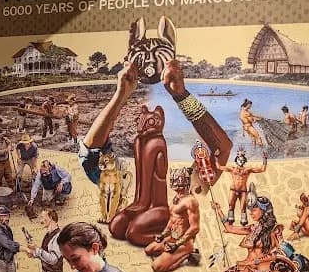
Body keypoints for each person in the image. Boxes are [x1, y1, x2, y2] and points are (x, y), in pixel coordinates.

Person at [79, 60, 231, 189]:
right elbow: (91, 154)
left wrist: (181, 96)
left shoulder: (179, 187)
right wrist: (121, 95)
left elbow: (91, 154)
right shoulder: (125, 184)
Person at [216, 190, 285, 272]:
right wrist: (219, 211)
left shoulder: (275, 230)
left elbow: (281, 253)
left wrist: (257, 261)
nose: (251, 213)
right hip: (247, 267)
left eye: (254, 210)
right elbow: (230, 228)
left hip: (263, 271)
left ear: (263, 211)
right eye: (250, 210)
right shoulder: (253, 228)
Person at [144, 167, 201, 272]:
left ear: (184, 180)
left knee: (157, 267)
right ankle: (171, 255)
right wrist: (162, 235)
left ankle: (188, 253)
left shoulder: (190, 201)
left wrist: (177, 244)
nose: (174, 182)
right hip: (173, 237)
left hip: (183, 242)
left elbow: (195, 228)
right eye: (173, 179)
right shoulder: (176, 198)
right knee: (149, 250)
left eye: (177, 179)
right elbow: (172, 220)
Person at [215, 148, 268, 227]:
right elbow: (219, 167)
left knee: (243, 208)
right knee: (231, 206)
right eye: (239, 159)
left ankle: (244, 224)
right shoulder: (232, 169)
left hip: (243, 191)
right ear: (236, 160)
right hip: (233, 190)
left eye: (242, 159)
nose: (241, 161)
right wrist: (216, 157)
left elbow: (262, 169)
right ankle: (230, 222)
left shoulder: (247, 170)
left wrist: (265, 159)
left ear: (245, 160)